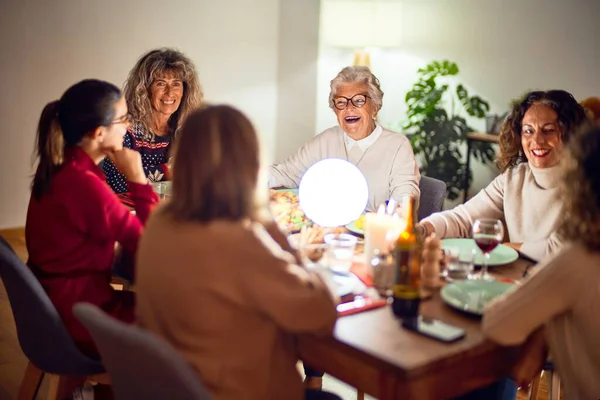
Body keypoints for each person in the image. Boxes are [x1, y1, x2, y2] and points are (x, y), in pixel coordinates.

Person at [135, 105, 340, 400]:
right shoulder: (241, 243)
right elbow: (321, 314)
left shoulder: (160, 222)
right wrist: (293, 246)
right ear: (251, 166)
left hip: (176, 388)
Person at [26, 79, 158, 357]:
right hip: (83, 319)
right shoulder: (83, 184)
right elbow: (154, 248)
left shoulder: (59, 166)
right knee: (184, 325)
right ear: (99, 133)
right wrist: (137, 178)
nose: (129, 126)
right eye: (123, 119)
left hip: (58, 310)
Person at [483, 124, 600, 399]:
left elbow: (498, 324)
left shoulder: (577, 261)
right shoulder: (514, 179)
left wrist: (541, 324)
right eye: (528, 130)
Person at [419, 90, 588, 261]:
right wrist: (423, 229)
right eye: (528, 131)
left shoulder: (588, 186)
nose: (537, 141)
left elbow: (559, 252)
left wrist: (509, 247)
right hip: (522, 276)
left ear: (571, 135)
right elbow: (462, 218)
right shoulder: (514, 178)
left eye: (548, 130)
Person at [269, 66, 420, 211]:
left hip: (373, 232)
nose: (349, 107)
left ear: (375, 106)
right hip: (327, 232)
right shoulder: (326, 140)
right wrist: (247, 177)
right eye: (341, 102)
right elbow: (285, 173)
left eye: (359, 100)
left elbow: (405, 198)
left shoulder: (397, 146)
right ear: (335, 110)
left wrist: (395, 214)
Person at [102, 48, 203, 202]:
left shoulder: (188, 130)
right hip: (132, 216)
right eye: (161, 83)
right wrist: (168, 169)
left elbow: (200, 177)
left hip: (175, 214)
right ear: (144, 89)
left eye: (176, 84)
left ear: (185, 90)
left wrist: (142, 173)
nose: (170, 92)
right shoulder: (124, 128)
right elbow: (120, 183)